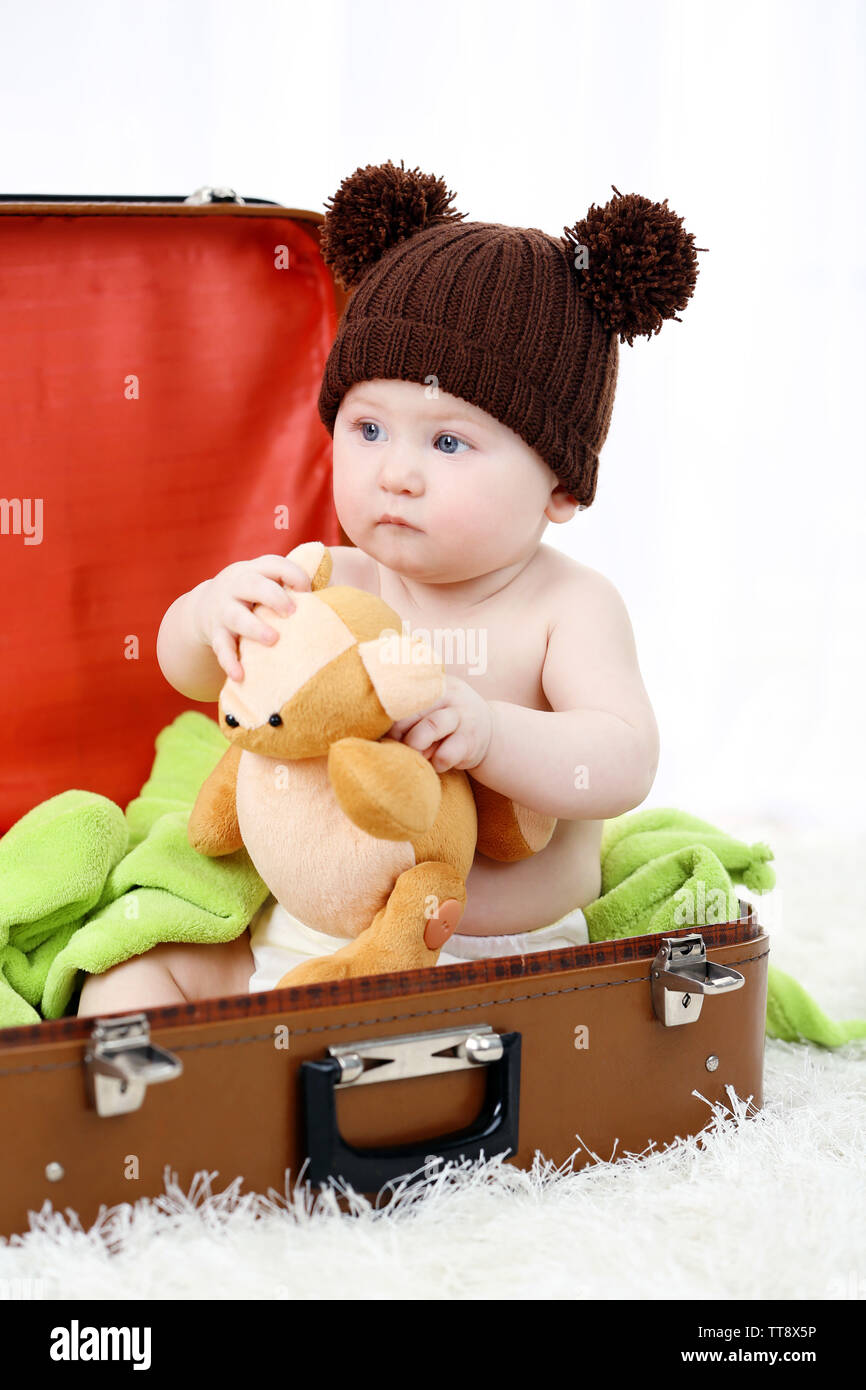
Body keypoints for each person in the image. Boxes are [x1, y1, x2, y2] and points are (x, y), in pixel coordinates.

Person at [77, 159, 701, 1013]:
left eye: (448, 444)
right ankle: (149, 1119)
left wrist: (489, 735)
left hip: (489, 954)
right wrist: (209, 614)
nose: (395, 474)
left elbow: (623, 761)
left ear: (560, 485)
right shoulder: (334, 576)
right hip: (313, 934)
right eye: (368, 428)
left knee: (453, 1041)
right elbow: (191, 677)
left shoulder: (568, 608)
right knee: (128, 979)